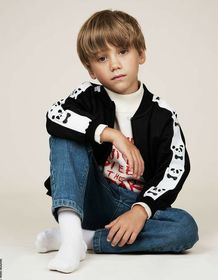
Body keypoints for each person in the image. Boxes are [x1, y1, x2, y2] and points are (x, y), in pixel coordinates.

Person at [35, 9, 199, 274]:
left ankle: (83, 239)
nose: (114, 64)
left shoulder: (162, 115)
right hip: (92, 195)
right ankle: (70, 229)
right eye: (102, 58)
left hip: (134, 205)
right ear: (91, 69)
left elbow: (175, 168)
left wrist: (141, 210)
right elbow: (54, 115)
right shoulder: (87, 96)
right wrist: (111, 134)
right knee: (65, 133)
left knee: (185, 227)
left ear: (141, 54)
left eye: (122, 52)